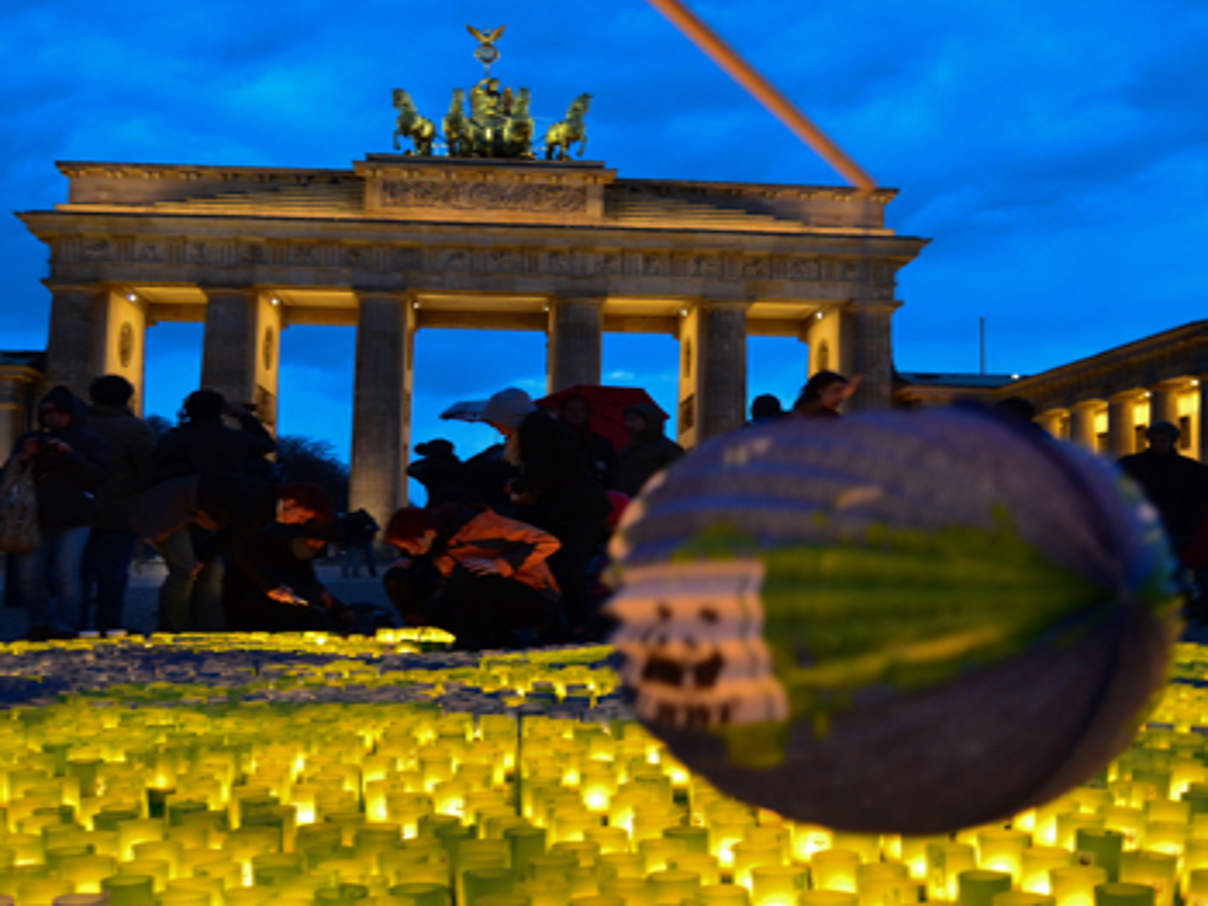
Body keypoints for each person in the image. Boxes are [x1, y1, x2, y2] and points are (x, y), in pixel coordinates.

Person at [148, 389, 277, 632]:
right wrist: (244, 416)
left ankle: (174, 629)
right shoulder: (233, 439)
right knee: (210, 570)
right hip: (216, 513)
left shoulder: (175, 438)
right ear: (220, 411)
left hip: (177, 509)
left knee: (184, 571)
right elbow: (266, 444)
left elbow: (153, 471)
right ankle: (208, 630)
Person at [383, 502, 562, 650]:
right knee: (398, 577)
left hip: (532, 595)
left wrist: (501, 565)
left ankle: (484, 638)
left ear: (429, 533)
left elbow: (548, 542)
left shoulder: (485, 527)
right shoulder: (436, 545)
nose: (411, 552)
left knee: (468, 572)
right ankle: (429, 632)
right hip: (478, 597)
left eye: (410, 546)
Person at [10, 386, 109, 640]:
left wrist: (70, 455)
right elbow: (9, 476)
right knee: (29, 577)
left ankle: (67, 626)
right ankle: (39, 623)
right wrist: (24, 457)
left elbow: (97, 477)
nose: (52, 419)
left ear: (70, 415)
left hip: (74, 516)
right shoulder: (29, 440)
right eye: (47, 414)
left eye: (57, 414)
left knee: (67, 574)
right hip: (33, 517)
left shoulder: (89, 442)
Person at [223, 484, 355, 631]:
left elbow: (306, 578)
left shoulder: (298, 552)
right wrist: (271, 587)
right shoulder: (262, 519)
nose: (316, 547)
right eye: (301, 517)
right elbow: (242, 551)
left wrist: (336, 606)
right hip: (252, 603)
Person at [82, 375, 154, 632]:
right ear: (127, 398)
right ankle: (108, 624)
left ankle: (75, 622)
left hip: (79, 509)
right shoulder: (135, 429)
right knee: (113, 573)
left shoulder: (80, 425)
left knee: (78, 570)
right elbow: (148, 470)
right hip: (121, 510)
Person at [1118, 421, 1208, 565]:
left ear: (1172, 441)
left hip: (1177, 529)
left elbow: (1197, 499)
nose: (1159, 444)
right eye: (1155, 440)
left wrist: (1191, 529)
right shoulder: (1133, 464)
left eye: (1163, 440)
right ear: (1149, 441)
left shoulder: (1188, 468)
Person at [614, 402, 684, 497]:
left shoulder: (668, 449)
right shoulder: (626, 451)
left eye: (633, 420)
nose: (628, 424)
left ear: (649, 421)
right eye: (627, 420)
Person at [558, 395, 617, 490]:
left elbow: (612, 473)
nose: (576, 413)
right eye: (570, 409)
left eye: (582, 409)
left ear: (588, 412)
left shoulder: (601, 443)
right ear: (563, 412)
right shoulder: (555, 441)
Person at [406, 439, 467, 507]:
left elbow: (412, 470)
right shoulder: (455, 465)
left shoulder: (452, 466)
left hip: (445, 505)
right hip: (443, 505)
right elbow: (412, 470)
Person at [793, 370, 861, 418]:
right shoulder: (795, 418)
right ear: (821, 390)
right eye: (837, 390)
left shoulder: (835, 420)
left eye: (843, 391)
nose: (842, 397)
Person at [339, 507, 380, 578]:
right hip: (359, 541)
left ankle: (348, 572)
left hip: (357, 541)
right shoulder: (363, 520)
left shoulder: (353, 520)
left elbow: (349, 532)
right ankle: (356, 572)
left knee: (351, 558)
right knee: (359, 558)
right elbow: (376, 527)